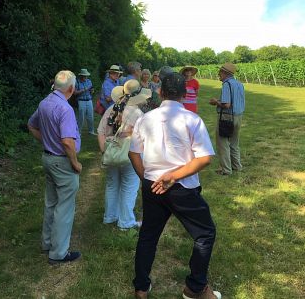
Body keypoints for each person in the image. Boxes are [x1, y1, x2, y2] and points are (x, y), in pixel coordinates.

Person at [129, 73, 221, 299]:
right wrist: (172, 177)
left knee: (148, 235)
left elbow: (134, 153)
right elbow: (204, 158)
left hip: (153, 185)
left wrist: (147, 178)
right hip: (182, 188)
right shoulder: (191, 119)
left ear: (160, 92)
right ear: (184, 94)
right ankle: (195, 288)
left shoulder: (145, 118)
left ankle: (141, 287)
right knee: (205, 233)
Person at [28, 70, 82, 265]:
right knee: (64, 207)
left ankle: (47, 242)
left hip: (48, 159)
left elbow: (31, 125)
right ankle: (58, 253)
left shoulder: (45, 102)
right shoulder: (65, 109)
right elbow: (67, 142)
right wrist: (75, 162)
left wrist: (48, 142)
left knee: (51, 202)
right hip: (62, 162)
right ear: (71, 88)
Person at [97, 79, 151, 230]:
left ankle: (110, 216)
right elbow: (145, 137)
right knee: (129, 186)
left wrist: (104, 151)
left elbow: (100, 132)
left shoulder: (111, 109)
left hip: (112, 152)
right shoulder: (138, 114)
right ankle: (126, 221)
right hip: (130, 154)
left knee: (112, 184)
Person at [209, 62, 245, 176]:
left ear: (225, 73)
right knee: (234, 143)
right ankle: (237, 166)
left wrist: (215, 102)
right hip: (239, 116)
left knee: (222, 143)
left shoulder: (226, 84)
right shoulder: (239, 84)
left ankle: (226, 170)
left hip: (226, 117)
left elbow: (227, 104)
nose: (218, 74)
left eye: (220, 72)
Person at [74, 68, 96, 135]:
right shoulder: (76, 82)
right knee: (81, 117)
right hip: (81, 101)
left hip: (89, 100)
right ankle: (78, 132)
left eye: (86, 76)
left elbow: (91, 90)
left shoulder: (89, 81)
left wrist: (92, 91)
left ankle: (91, 131)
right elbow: (75, 93)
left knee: (90, 116)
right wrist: (85, 89)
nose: (86, 77)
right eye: (84, 76)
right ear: (81, 76)